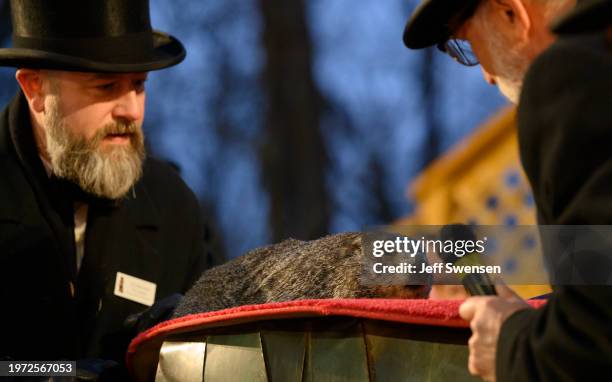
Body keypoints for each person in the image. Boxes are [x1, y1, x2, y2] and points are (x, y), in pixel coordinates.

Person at [0, 0, 222, 374]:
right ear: (35, 88)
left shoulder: (173, 206)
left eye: (138, 85)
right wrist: (55, 374)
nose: (131, 111)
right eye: (105, 87)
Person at [404, 0, 612, 380]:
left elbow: (595, 341)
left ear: (510, 12)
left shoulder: (570, 76)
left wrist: (509, 345)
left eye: (466, 44)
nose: (485, 75)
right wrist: (533, 321)